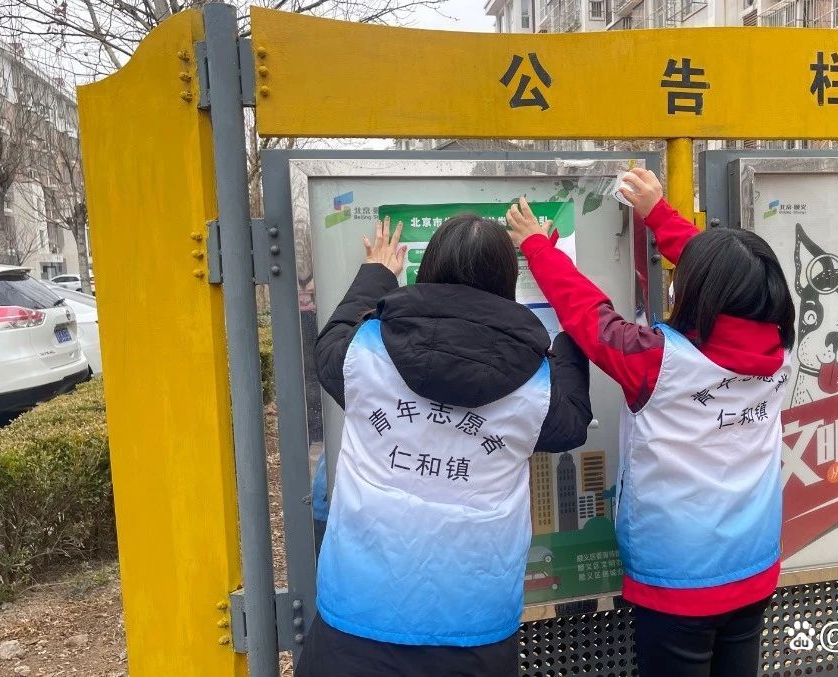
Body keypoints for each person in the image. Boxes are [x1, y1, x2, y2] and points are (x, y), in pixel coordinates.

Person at [507, 169, 795, 677]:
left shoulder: (656, 361)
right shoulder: (782, 347)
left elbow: (588, 314)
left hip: (679, 579)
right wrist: (658, 215)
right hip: (754, 563)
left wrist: (537, 248)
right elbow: (728, 280)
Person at [298, 215, 593, 677]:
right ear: (507, 284)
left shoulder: (363, 352)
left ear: (428, 270)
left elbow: (329, 343)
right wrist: (568, 331)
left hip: (355, 624)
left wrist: (376, 274)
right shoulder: (539, 385)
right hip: (473, 634)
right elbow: (573, 422)